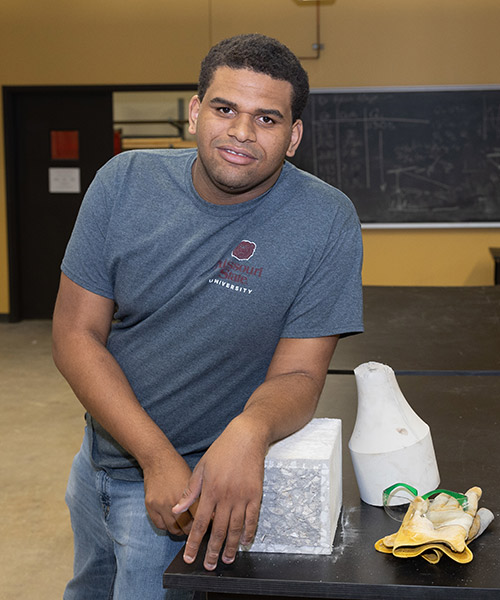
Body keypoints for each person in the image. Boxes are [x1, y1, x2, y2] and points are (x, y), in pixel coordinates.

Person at [52, 33, 363, 600]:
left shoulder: (326, 220)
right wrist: (154, 457)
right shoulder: (123, 182)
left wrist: (249, 429)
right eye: (225, 109)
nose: (241, 133)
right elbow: (76, 335)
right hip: (98, 463)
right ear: (196, 112)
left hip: (195, 496)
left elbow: (299, 376)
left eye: (267, 119)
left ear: (293, 137)